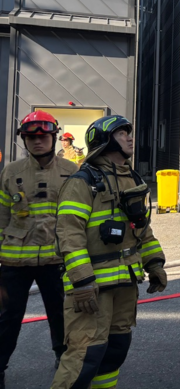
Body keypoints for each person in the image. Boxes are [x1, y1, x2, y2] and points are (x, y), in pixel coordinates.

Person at [51, 115, 167, 389]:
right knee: (84, 356)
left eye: (129, 132)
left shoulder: (131, 179)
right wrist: (82, 281)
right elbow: (69, 234)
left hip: (125, 284)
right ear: (103, 140)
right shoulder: (82, 182)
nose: (130, 138)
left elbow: (142, 229)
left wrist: (154, 263)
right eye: (122, 133)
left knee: (115, 350)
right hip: (92, 289)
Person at [0, 111, 78, 389]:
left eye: (43, 136)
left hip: (56, 259)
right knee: (7, 318)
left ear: (54, 137)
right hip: (14, 262)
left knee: (61, 315)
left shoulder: (72, 172)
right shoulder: (11, 172)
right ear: (24, 139)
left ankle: (64, 359)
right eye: (30, 137)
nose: (37, 141)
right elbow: (2, 216)